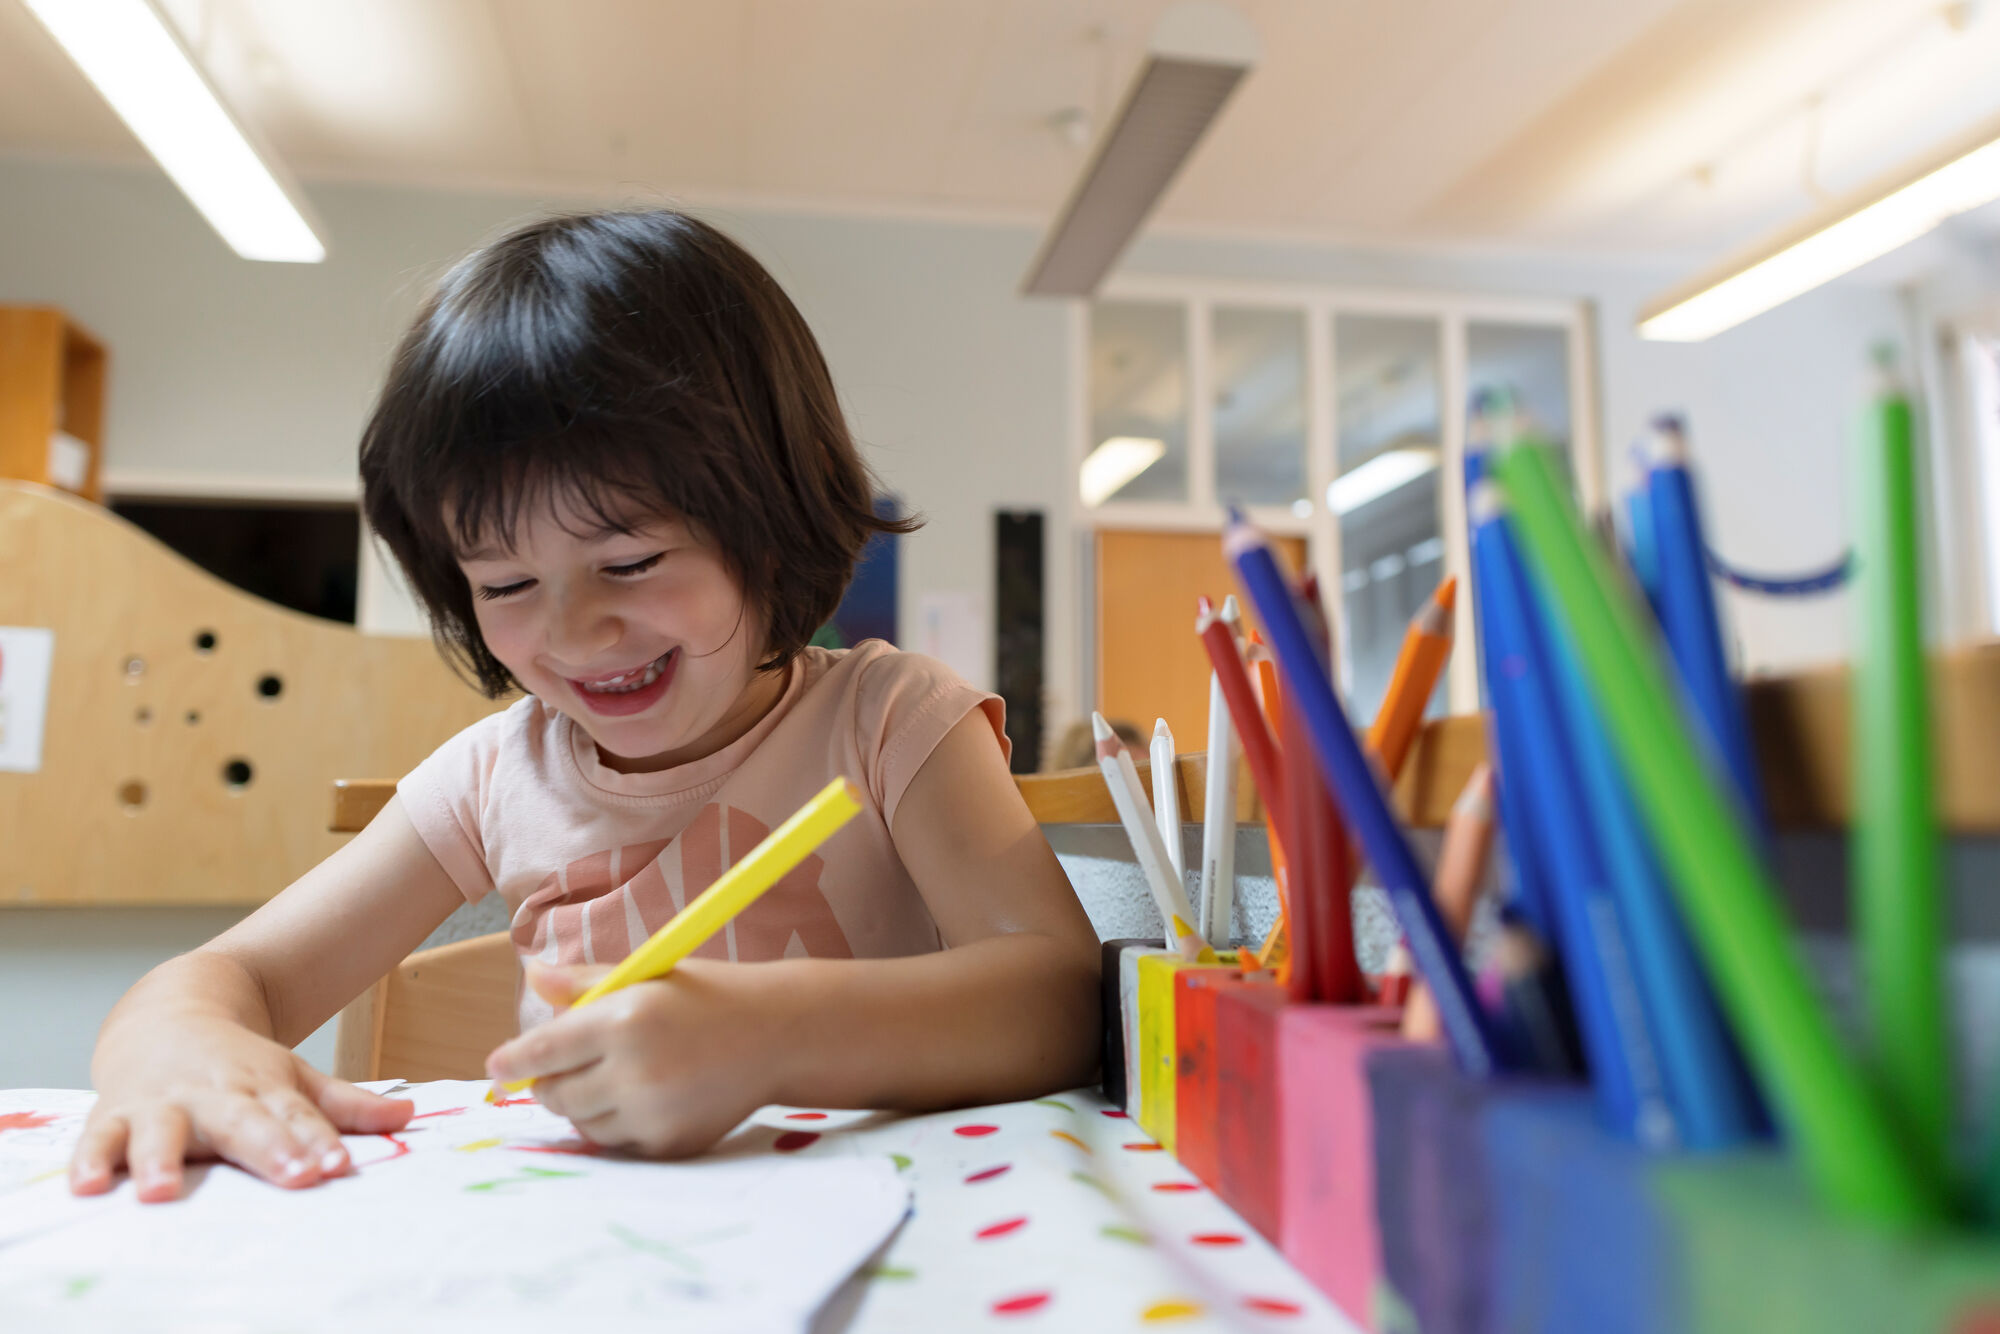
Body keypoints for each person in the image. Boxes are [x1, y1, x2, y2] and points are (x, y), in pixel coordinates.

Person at [70, 210, 1101, 1203]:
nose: (572, 632)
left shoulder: (890, 723)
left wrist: (777, 1034)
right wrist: (173, 1042)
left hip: (896, 1235)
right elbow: (227, 977)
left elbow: (1058, 998)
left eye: (630, 559)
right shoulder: (491, 777)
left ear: (771, 523)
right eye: (506, 584)